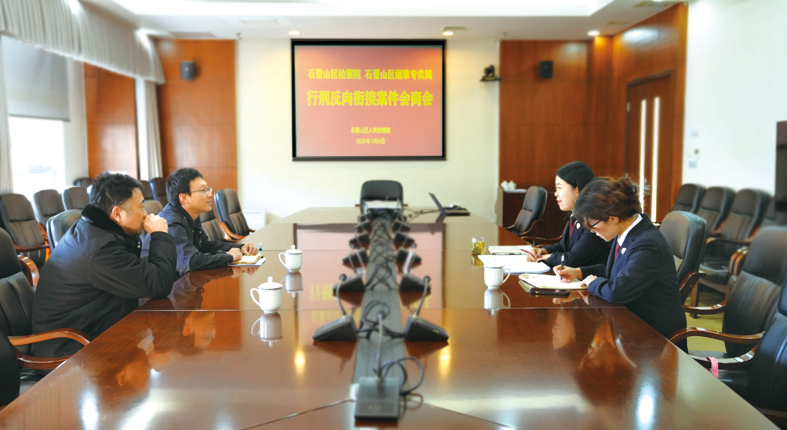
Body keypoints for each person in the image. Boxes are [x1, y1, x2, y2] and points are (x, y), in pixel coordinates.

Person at [32, 173, 179, 357]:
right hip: (72, 349)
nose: (145, 214)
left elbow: (150, 278)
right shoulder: (100, 248)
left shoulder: (98, 230)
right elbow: (159, 283)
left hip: (97, 329)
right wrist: (160, 236)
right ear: (117, 213)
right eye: (141, 206)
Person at [555, 176, 687, 351]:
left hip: (655, 341)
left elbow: (616, 291)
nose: (592, 231)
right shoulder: (626, 233)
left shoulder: (647, 244)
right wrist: (579, 272)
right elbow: (615, 272)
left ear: (613, 218)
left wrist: (593, 283)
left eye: (592, 225)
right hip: (631, 329)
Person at [142, 168, 257, 276]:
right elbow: (191, 262)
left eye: (208, 189)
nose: (210, 194)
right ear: (184, 198)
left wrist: (240, 248)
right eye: (203, 190)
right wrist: (229, 257)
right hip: (165, 287)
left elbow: (204, 246)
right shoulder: (172, 224)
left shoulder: (189, 215)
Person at [526, 161, 610, 267]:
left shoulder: (595, 221)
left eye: (559, 188)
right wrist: (543, 251)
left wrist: (544, 258)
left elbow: (572, 259)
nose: (556, 194)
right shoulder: (575, 216)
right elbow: (564, 246)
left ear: (577, 190)